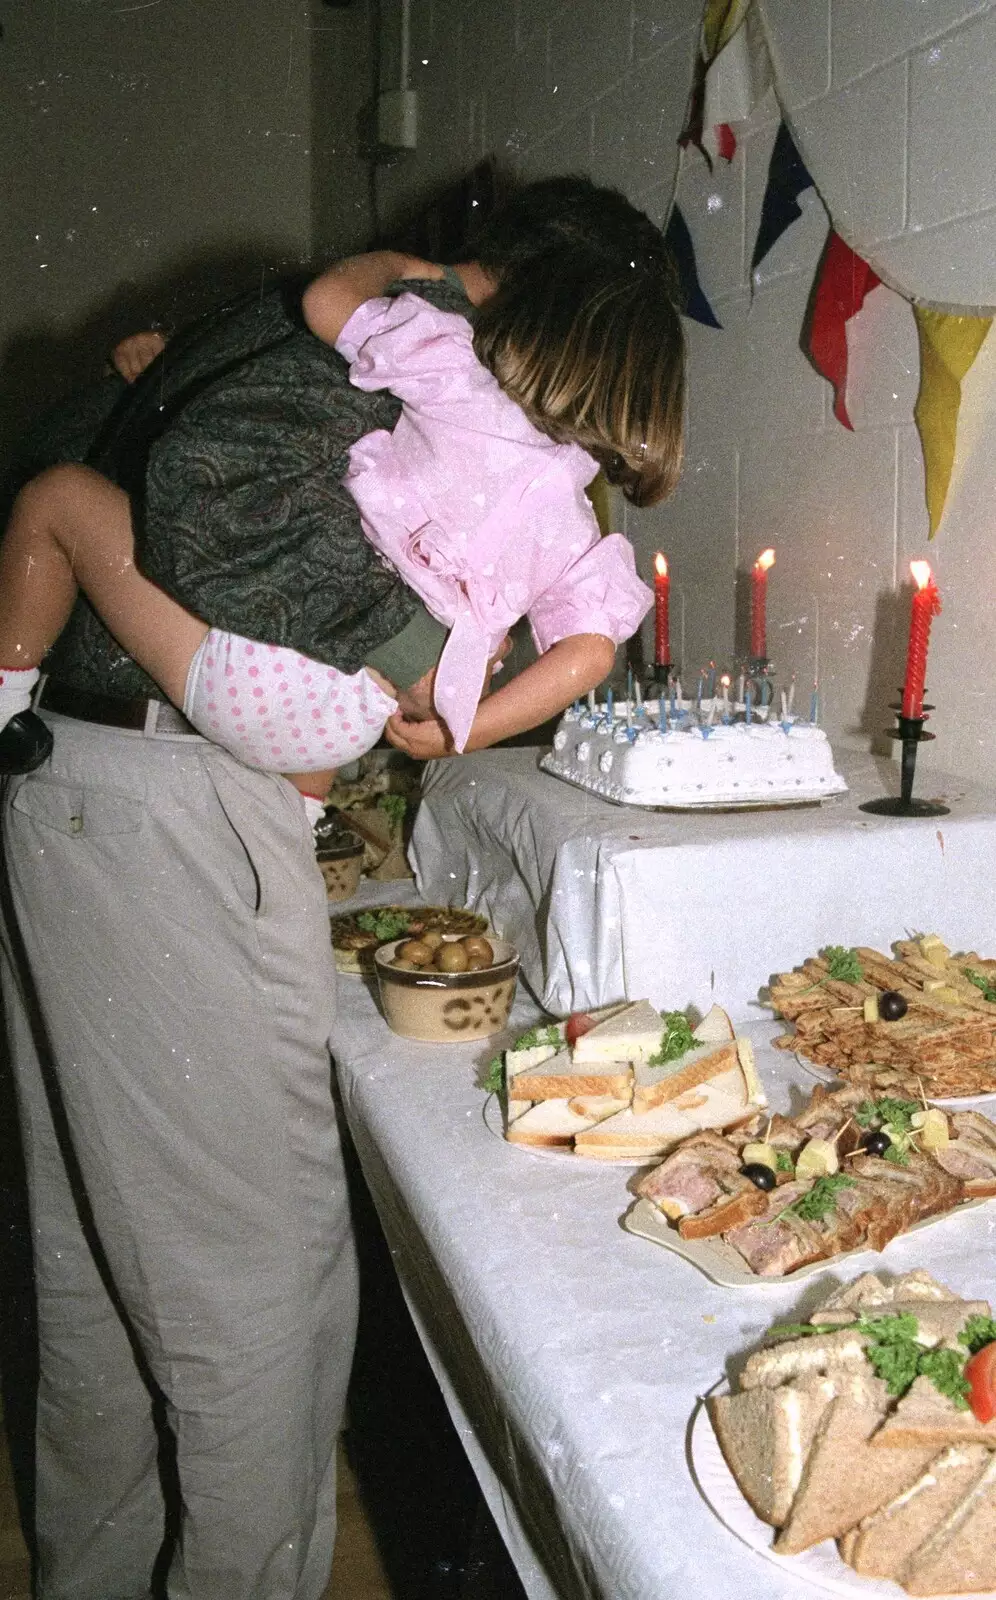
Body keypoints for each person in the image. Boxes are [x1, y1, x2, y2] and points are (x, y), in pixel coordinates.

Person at [0, 175, 684, 1600]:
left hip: (85, 773)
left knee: (102, 1267)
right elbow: (239, 554)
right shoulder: (416, 343)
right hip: (162, 796)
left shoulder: (370, 346)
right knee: (262, 1292)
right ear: (506, 289)